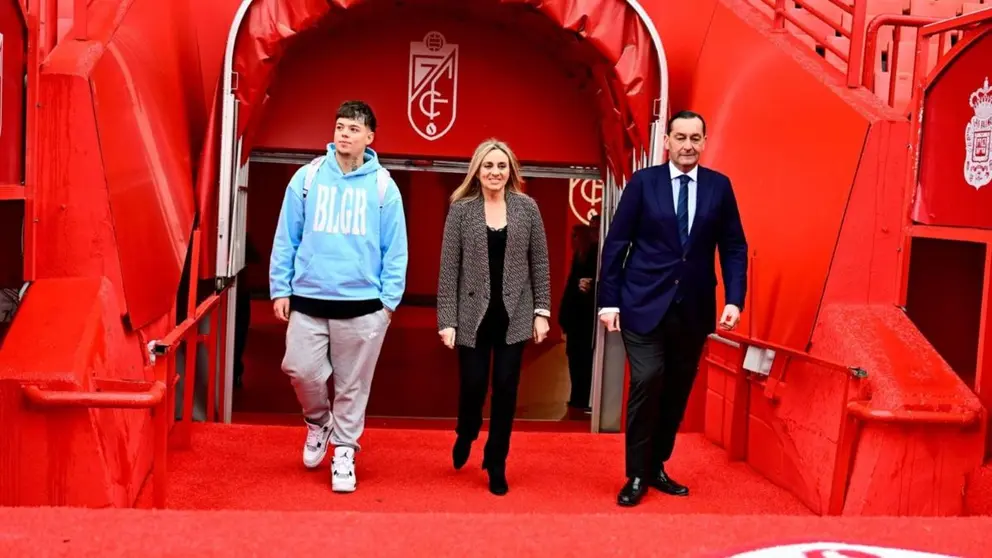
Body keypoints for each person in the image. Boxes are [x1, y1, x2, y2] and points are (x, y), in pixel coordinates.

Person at [597, 110, 747, 507]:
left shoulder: (719, 187)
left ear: (704, 141)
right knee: (648, 379)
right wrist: (608, 301)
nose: (687, 145)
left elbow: (733, 246)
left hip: (693, 308)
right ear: (666, 141)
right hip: (642, 303)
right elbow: (617, 244)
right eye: (680, 137)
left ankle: (656, 465)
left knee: (676, 390)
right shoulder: (644, 184)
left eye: (695, 138)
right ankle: (635, 475)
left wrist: (734, 298)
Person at [269, 100, 408, 493]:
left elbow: (395, 248)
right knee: (299, 368)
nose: (344, 134)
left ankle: (344, 450)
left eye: (352, 128)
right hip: (309, 299)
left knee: (352, 385)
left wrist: (388, 303)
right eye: (339, 127)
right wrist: (280, 286)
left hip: (364, 306)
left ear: (369, 137)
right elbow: (287, 237)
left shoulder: (383, 186)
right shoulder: (308, 178)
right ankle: (317, 422)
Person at [436, 138, 552, 496]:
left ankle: (496, 459)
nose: (495, 172)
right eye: (488, 165)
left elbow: (541, 263)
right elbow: (448, 269)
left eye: (502, 166)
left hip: (514, 315)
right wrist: (447, 319)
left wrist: (541, 312)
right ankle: (467, 430)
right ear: (477, 170)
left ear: (511, 171)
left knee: (505, 389)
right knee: (472, 385)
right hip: (472, 315)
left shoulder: (527, 208)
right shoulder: (461, 209)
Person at [558, 219, 599, 413]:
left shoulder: (588, 256)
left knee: (579, 359)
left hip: (582, 319)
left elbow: (573, 291)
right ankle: (579, 397)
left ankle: (580, 398)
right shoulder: (583, 255)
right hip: (580, 318)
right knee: (579, 359)